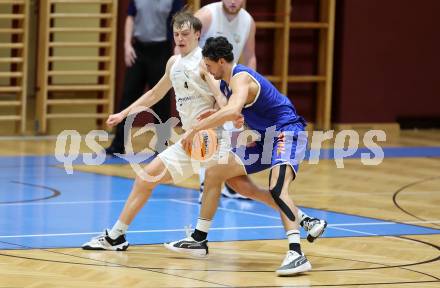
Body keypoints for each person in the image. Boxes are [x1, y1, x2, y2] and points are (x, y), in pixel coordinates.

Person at [165, 36, 319, 276]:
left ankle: (297, 253)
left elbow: (232, 110)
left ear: (222, 61)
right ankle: (199, 239)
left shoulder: (241, 77)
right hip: (265, 139)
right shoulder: (226, 83)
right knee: (218, 173)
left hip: (287, 133)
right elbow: (232, 111)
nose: (206, 69)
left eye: (209, 64)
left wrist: (196, 128)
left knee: (278, 188)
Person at [105, 0, 184, 155]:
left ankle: (161, 145)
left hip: (161, 50)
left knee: (161, 101)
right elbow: (130, 16)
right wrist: (127, 45)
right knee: (128, 96)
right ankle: (118, 144)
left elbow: (179, 22)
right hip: (139, 49)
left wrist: (177, 48)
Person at [196, 0, 256, 199]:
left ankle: (231, 181)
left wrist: (248, 88)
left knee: (234, 128)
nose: (233, 1)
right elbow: (183, 47)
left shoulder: (248, 21)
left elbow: (249, 56)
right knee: (207, 130)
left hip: (229, 81)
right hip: (202, 81)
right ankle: (206, 180)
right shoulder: (206, 15)